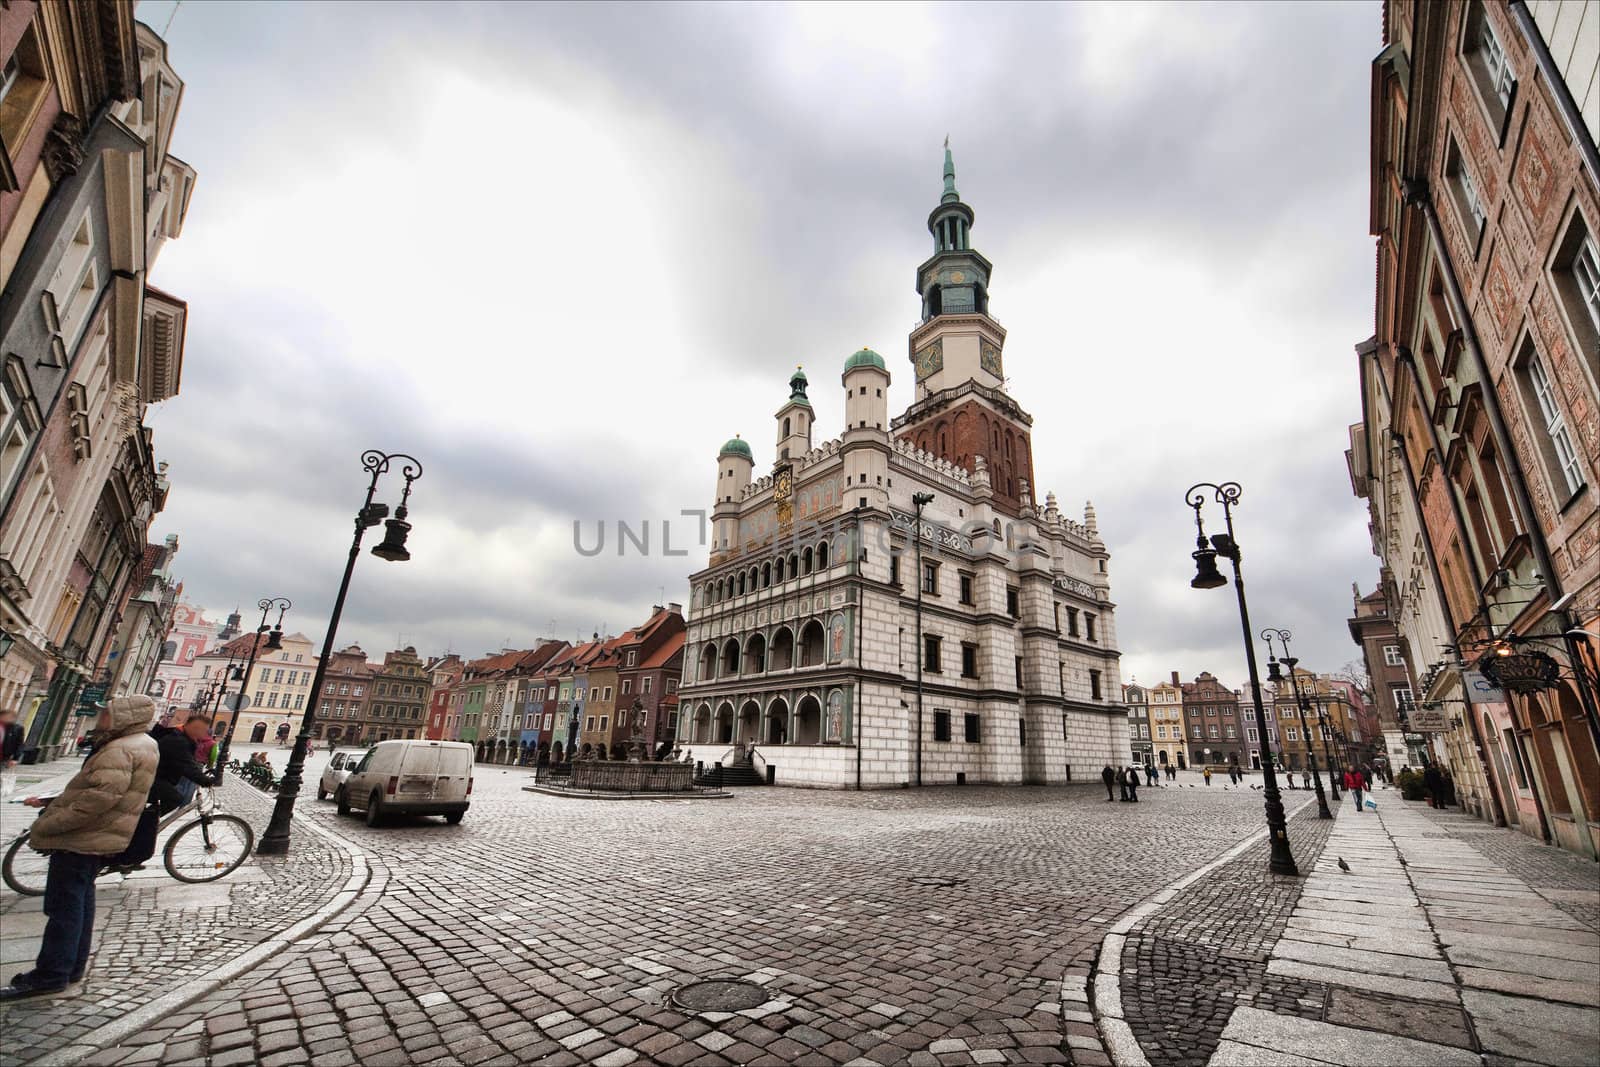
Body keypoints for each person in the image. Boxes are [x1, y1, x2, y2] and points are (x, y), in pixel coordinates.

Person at [3, 696, 158, 1002]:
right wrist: (54, 800)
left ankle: (51, 974)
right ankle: (70, 967)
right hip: (101, 837)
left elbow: (98, 800)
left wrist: (50, 822)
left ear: (122, 717)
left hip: (85, 837)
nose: (100, 718)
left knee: (64, 909)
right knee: (80, 905)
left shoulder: (121, 749)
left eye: (106, 713)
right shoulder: (142, 743)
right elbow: (102, 790)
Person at [149, 713, 221, 811]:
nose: (205, 733)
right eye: (204, 730)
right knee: (174, 799)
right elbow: (187, 765)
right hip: (153, 777)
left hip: (157, 775)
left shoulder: (180, 735)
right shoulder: (179, 740)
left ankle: (148, 821)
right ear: (195, 728)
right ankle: (145, 825)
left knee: (171, 795)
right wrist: (207, 781)